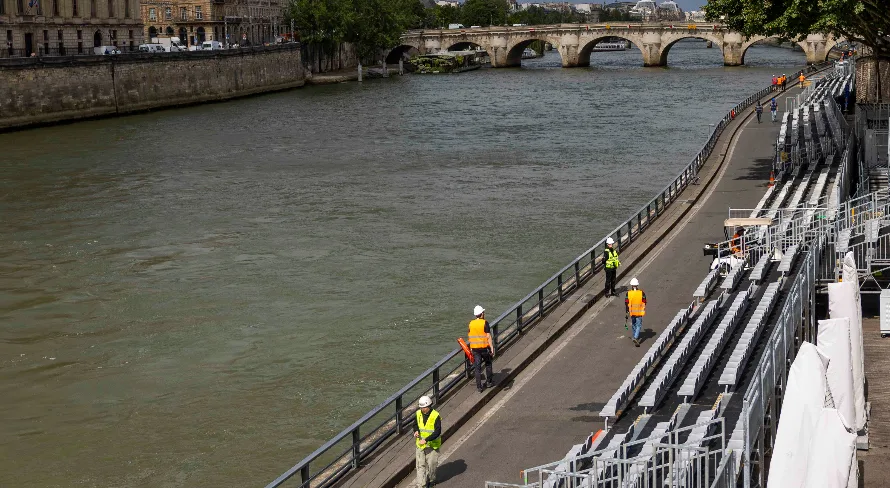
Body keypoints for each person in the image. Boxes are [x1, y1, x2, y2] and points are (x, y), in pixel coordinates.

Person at [413, 396, 441, 488]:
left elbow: (437, 431)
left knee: (432, 465)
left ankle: (432, 480)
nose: (422, 409)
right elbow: (415, 425)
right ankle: (421, 485)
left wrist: (426, 440)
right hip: (420, 445)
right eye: (421, 407)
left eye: (423, 407)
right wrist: (416, 431)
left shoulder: (435, 416)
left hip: (432, 446)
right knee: (420, 466)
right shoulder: (418, 414)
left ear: (429, 406)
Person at [468, 305, 495, 393]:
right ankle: (489, 382)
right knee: (488, 364)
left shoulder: (471, 323)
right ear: (482, 314)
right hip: (484, 348)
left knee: (477, 368)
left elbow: (470, 336)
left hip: (475, 349)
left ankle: (479, 387)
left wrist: (471, 348)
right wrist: (492, 348)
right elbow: (488, 336)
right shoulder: (484, 323)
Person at [625, 278, 646, 347]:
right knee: (638, 325)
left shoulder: (628, 293)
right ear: (637, 285)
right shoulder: (641, 293)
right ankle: (635, 337)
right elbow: (644, 301)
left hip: (632, 312)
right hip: (639, 312)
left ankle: (634, 336)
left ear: (631, 285)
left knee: (634, 324)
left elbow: (626, 303)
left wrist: (627, 311)